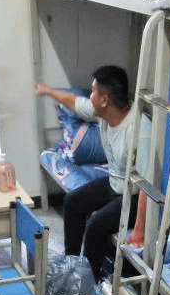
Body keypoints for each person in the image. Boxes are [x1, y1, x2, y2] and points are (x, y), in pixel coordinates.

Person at [36, 65, 151, 282]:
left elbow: (147, 184)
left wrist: (140, 229)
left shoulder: (139, 129)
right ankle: (71, 265)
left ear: (105, 99)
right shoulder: (104, 113)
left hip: (134, 196)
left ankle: (89, 281)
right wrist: (48, 91)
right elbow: (74, 102)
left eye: (92, 92)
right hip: (114, 182)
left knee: (96, 226)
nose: (89, 97)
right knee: (72, 202)